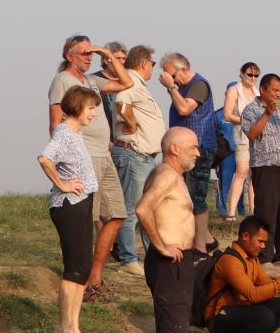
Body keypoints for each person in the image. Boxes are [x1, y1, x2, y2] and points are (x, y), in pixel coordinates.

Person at [135, 127, 207, 333]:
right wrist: (161, 245)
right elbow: (142, 209)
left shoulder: (170, 175)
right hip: (169, 263)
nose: (198, 152)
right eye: (193, 147)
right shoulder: (165, 175)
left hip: (180, 262)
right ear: (174, 148)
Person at [49, 35, 131, 299]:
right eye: (83, 53)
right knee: (87, 219)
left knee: (117, 214)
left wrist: (106, 53)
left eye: (90, 54)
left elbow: (126, 82)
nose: (88, 57)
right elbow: (54, 123)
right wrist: (66, 159)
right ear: (69, 55)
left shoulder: (92, 81)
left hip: (104, 155)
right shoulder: (63, 80)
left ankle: (94, 276)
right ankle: (80, 282)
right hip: (84, 158)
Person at [38, 85, 101, 333]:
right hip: (68, 204)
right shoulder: (64, 133)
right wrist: (62, 183)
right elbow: (44, 158)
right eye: (91, 108)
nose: (94, 114)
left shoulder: (75, 134)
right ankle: (65, 327)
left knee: (83, 267)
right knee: (75, 267)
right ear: (77, 108)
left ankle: (74, 326)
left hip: (82, 203)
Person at [110, 46, 166, 269]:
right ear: (144, 63)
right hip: (134, 154)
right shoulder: (131, 81)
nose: (153, 67)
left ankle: (150, 256)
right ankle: (128, 258)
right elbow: (122, 103)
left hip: (144, 156)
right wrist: (131, 122)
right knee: (131, 209)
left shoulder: (137, 83)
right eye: (153, 63)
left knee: (146, 208)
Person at [240, 73, 280, 263]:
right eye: (274, 90)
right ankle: (265, 257)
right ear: (262, 90)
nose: (278, 94)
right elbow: (252, 134)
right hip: (265, 168)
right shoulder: (251, 110)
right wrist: (267, 113)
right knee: (267, 214)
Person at [158, 51, 217, 252]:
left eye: (172, 75)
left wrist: (172, 88)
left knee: (195, 197)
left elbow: (184, 109)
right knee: (185, 196)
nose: (169, 79)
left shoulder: (199, 85)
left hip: (197, 149)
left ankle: (199, 248)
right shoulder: (182, 87)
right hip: (181, 151)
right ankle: (207, 241)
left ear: (183, 69)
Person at [221, 63, 260, 221]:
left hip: (258, 138)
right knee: (241, 171)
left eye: (256, 75)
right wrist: (246, 122)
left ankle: (253, 212)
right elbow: (227, 115)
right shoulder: (234, 90)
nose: (253, 78)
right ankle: (231, 212)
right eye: (250, 74)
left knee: (254, 175)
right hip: (242, 137)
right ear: (242, 74)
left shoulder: (258, 92)